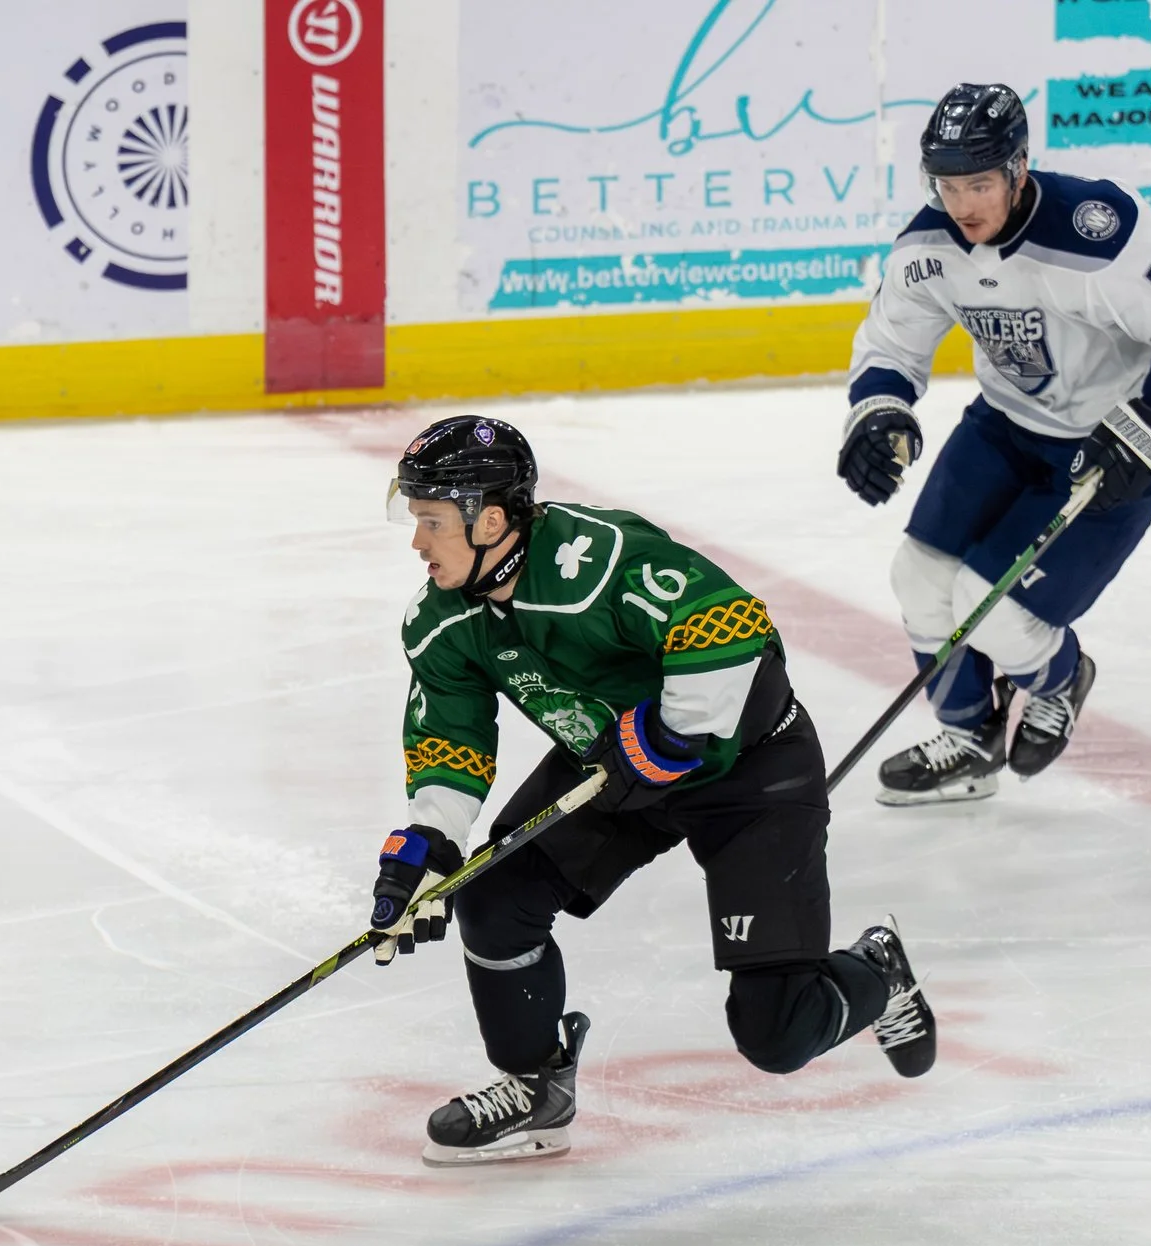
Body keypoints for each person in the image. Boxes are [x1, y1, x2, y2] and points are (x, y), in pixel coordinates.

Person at [369, 414, 937, 1166]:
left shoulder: (594, 559)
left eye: (433, 522)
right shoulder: (442, 619)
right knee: (492, 898)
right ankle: (538, 1085)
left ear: (492, 519)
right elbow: (451, 738)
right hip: (612, 765)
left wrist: (677, 730)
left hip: (747, 765)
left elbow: (727, 621)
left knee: (777, 1032)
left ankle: (880, 969)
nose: (418, 543)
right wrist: (431, 842)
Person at [837, 82, 1151, 805]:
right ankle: (968, 736)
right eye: (947, 184)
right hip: (1004, 426)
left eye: (980, 183)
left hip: (1112, 446)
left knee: (995, 611)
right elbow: (891, 343)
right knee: (920, 580)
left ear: (1019, 169)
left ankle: (1060, 680)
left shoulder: (1096, 228)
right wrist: (877, 410)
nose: (962, 204)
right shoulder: (929, 245)